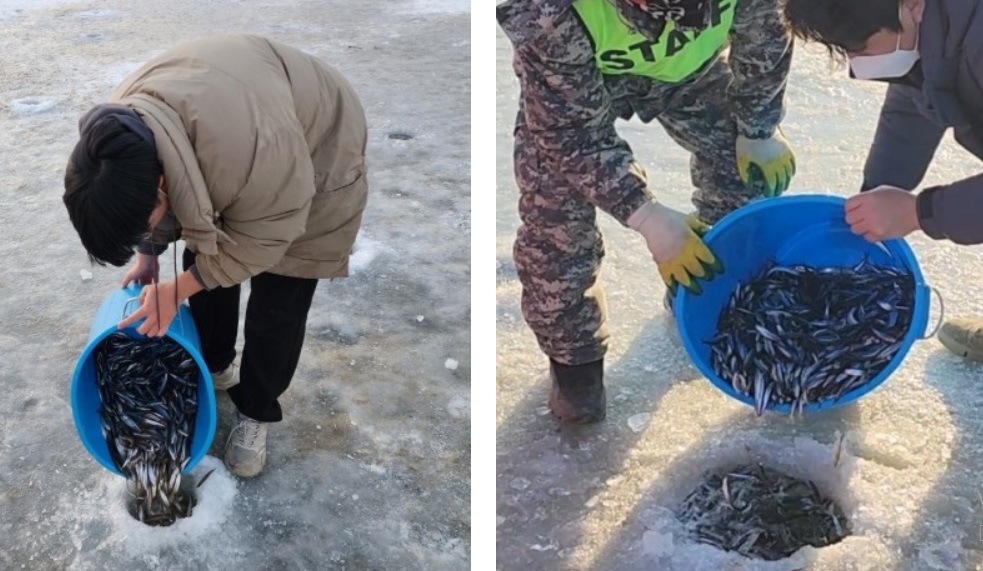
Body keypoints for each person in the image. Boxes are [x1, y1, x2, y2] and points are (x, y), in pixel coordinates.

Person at [63, 34, 369, 477]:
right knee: (203, 262)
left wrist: (180, 289)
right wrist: (149, 253)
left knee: (280, 297)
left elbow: (268, 236)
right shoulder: (115, 143)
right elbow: (158, 206)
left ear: (160, 186)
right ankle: (218, 363)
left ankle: (256, 410)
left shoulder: (247, 151)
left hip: (316, 146)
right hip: (234, 122)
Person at [497, 0, 797, 423]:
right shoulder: (544, 12)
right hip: (577, 86)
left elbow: (767, 35)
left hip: (688, 74)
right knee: (555, 221)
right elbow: (569, 133)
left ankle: (707, 296)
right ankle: (575, 362)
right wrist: (647, 216)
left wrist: (757, 128)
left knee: (745, 172)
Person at [781, 0, 983, 361]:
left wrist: (920, 212)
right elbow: (917, 101)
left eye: (860, 47)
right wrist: (877, 192)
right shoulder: (932, 29)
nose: (857, 64)